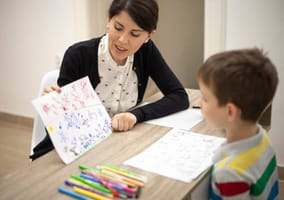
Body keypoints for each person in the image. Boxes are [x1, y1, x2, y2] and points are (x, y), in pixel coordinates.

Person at [30, 0, 189, 160]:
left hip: (119, 145)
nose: (122, 40)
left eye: (135, 34)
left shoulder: (146, 52)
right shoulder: (77, 55)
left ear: (149, 35)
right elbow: (64, 128)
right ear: (108, 21)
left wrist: (135, 115)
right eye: (118, 28)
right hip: (76, 151)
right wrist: (55, 106)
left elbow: (179, 97)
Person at [197, 48, 279, 199]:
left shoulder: (229, 173)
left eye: (205, 98)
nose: (199, 102)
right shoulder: (262, 137)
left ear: (230, 112)